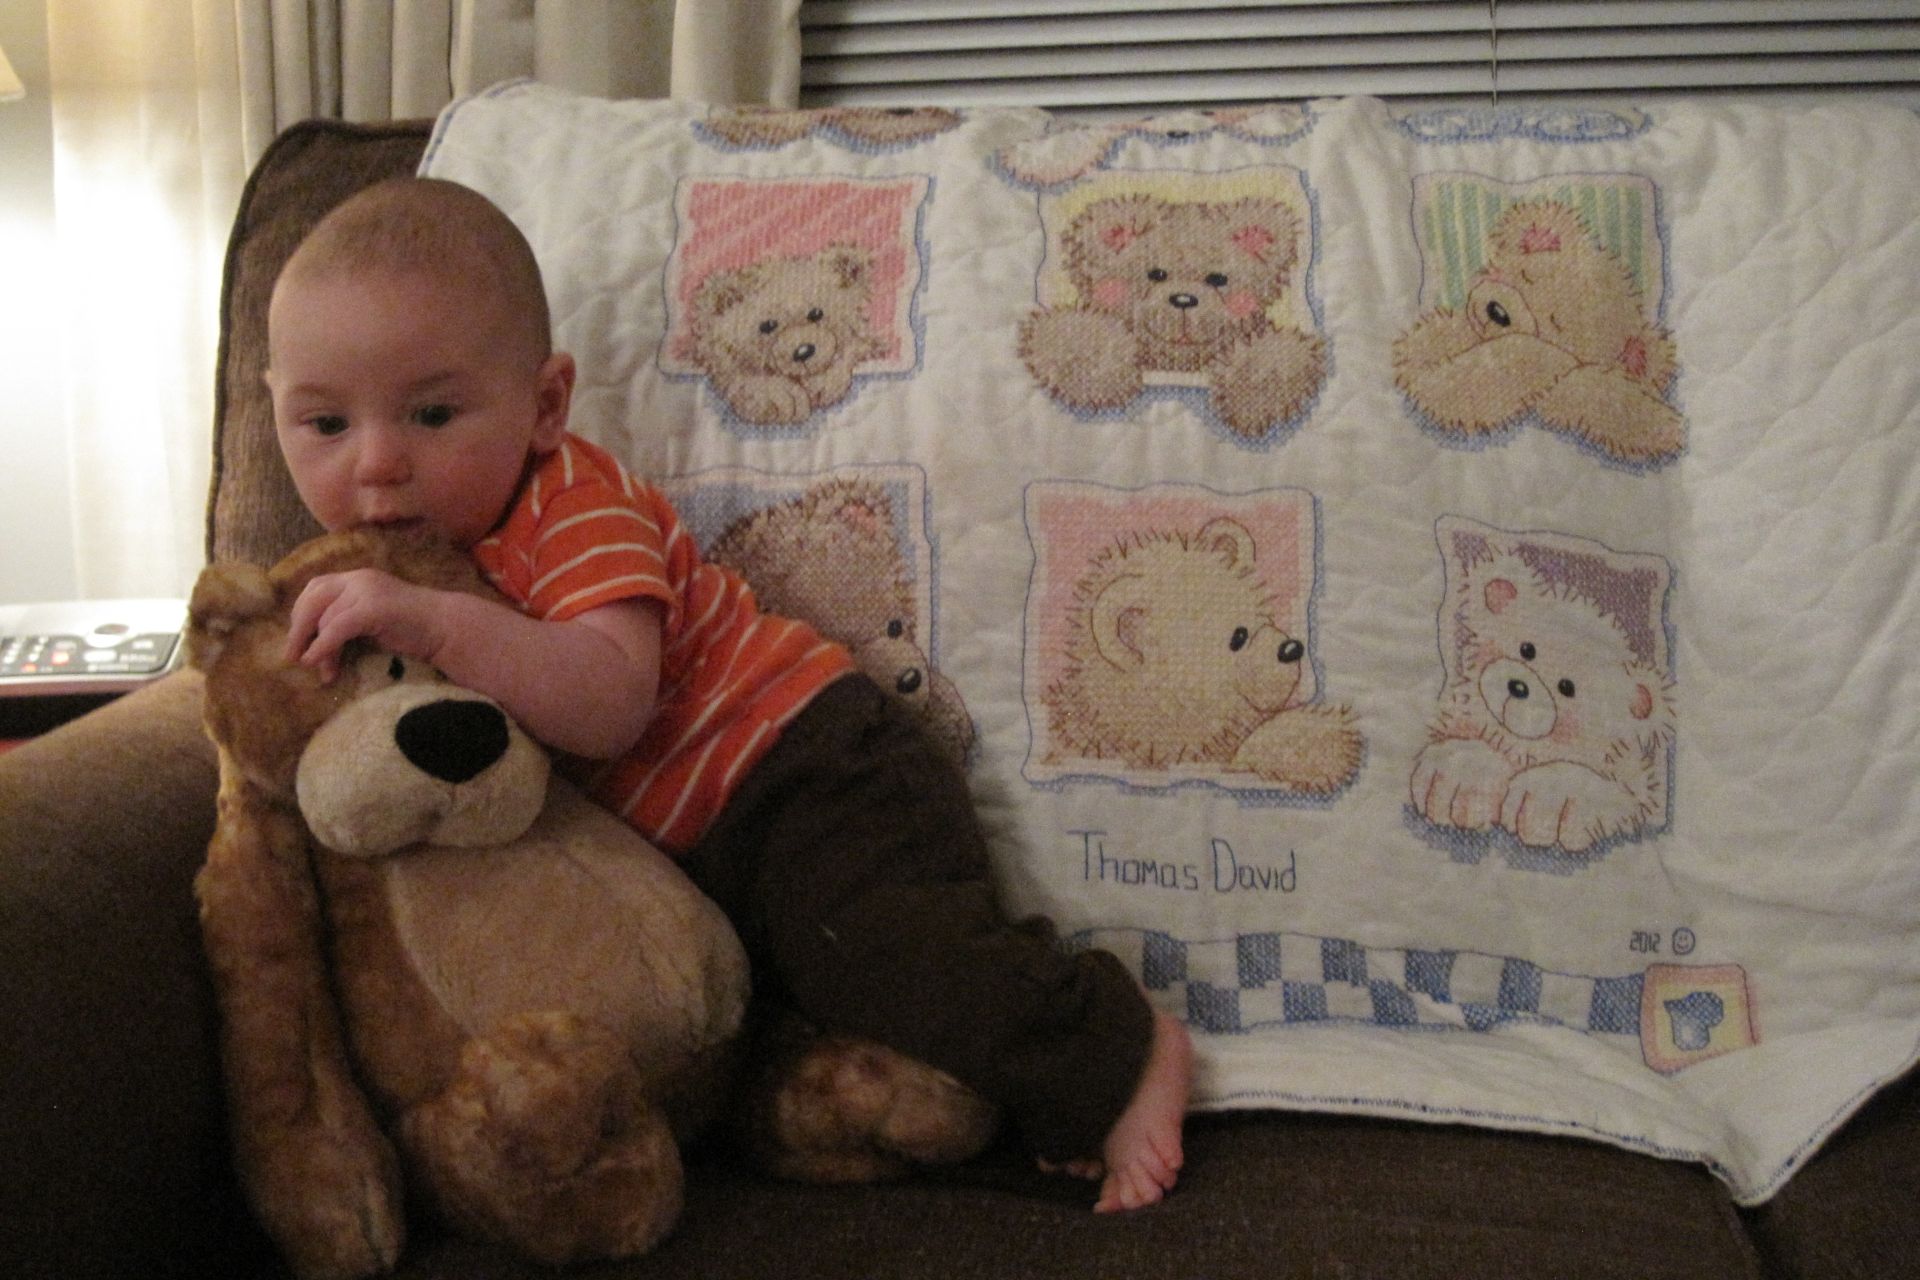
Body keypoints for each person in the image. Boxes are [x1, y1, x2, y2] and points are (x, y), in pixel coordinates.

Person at [263, 176, 1191, 1212]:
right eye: (325, 422)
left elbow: (609, 701)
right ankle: (1003, 1090)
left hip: (802, 772)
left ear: (545, 406)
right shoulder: (380, 569)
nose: (378, 464)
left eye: (433, 413)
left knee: (889, 958)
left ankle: (1114, 1049)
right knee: (814, 1026)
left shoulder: (568, 506)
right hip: (701, 855)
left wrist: (437, 625)